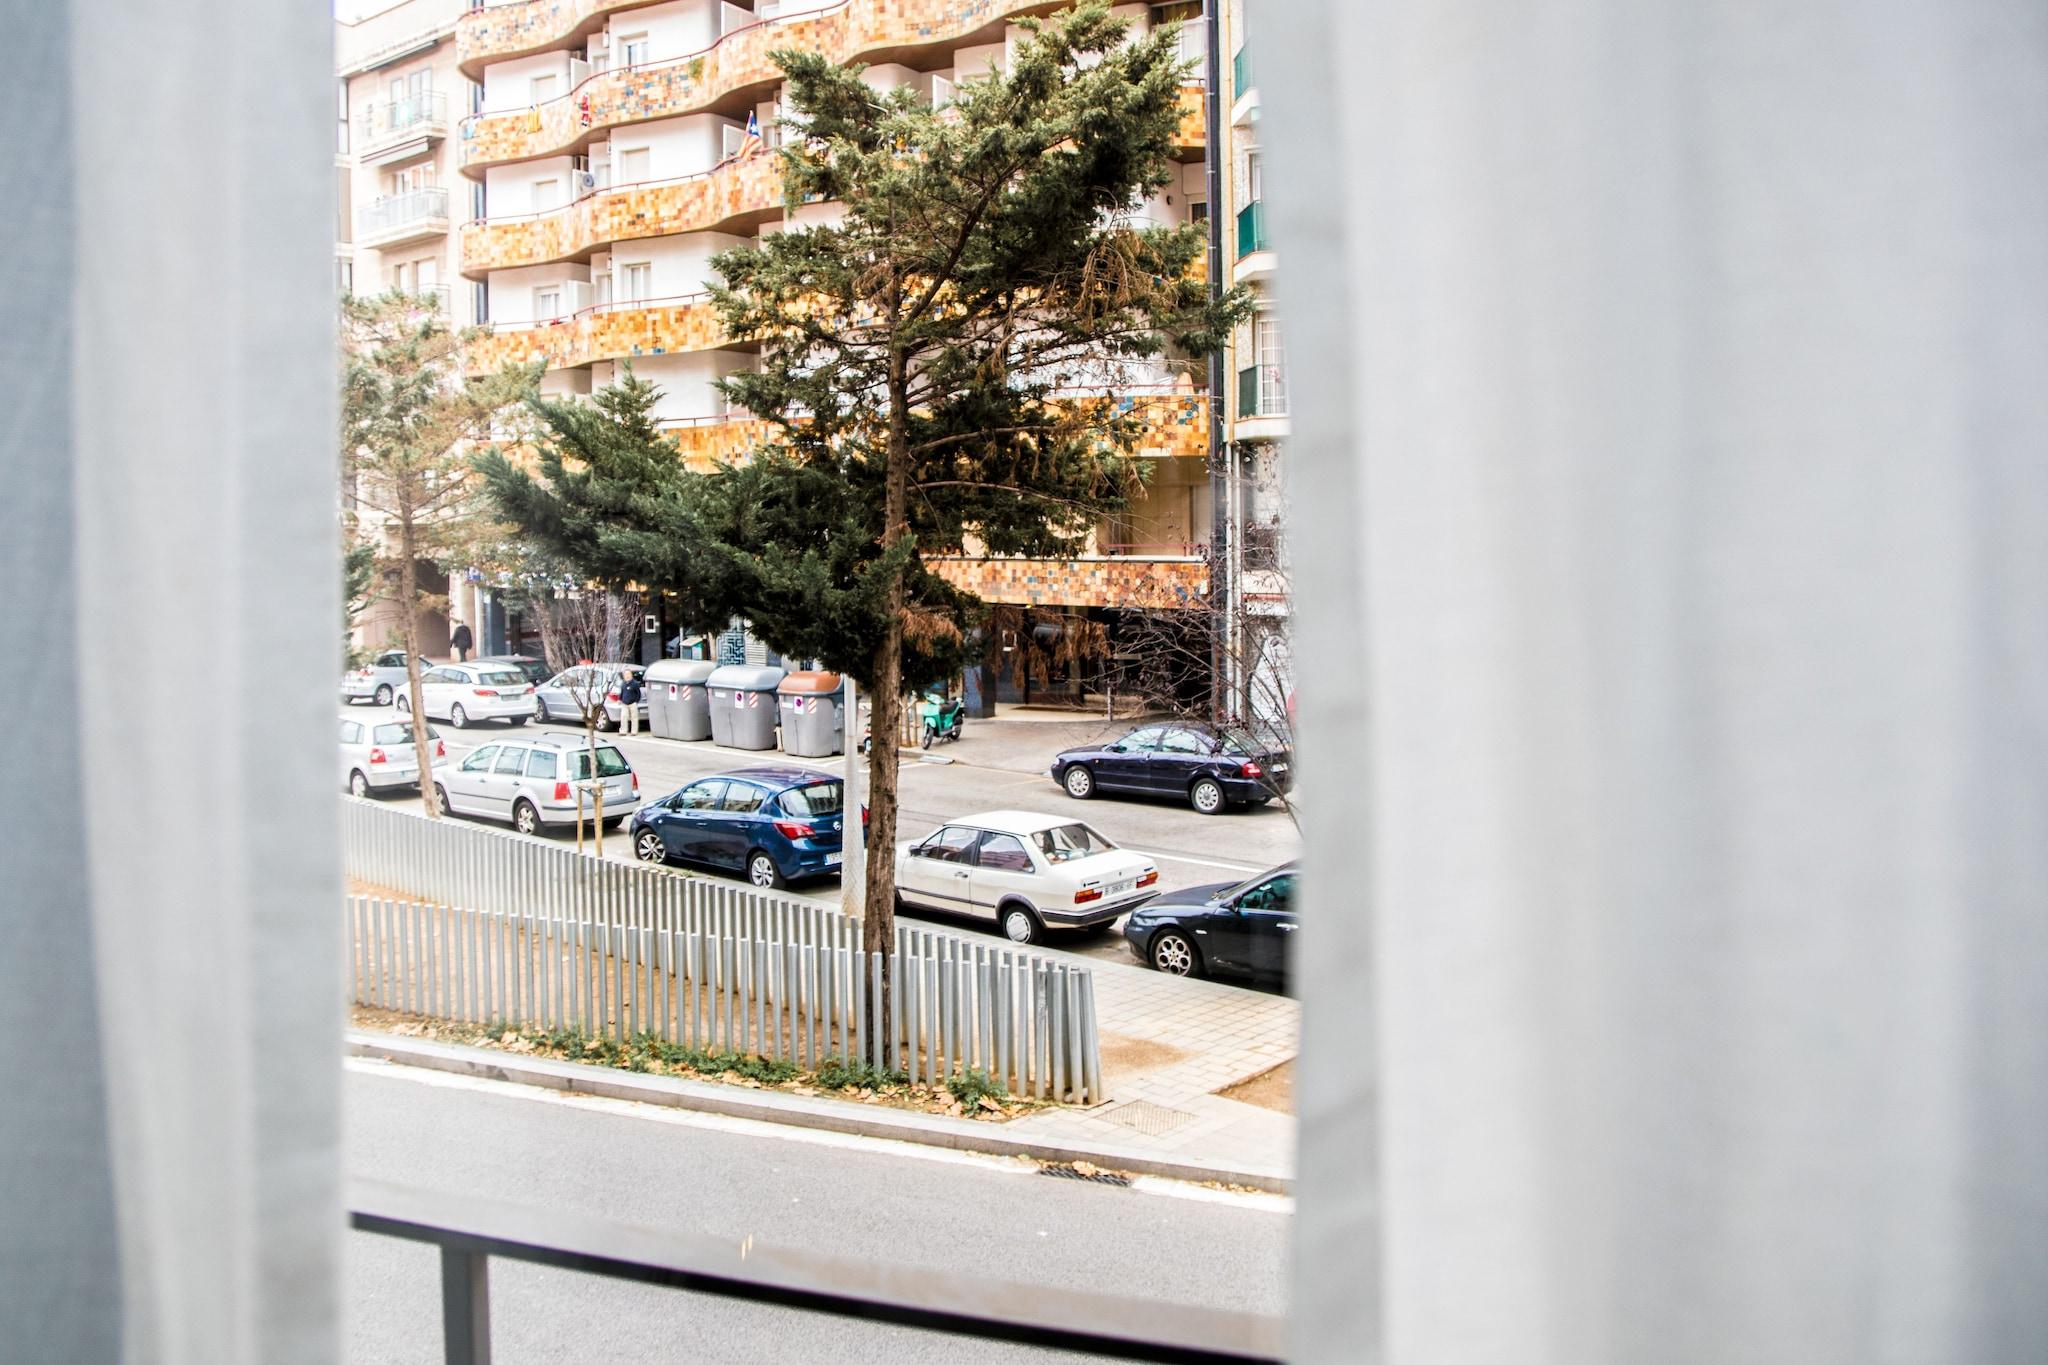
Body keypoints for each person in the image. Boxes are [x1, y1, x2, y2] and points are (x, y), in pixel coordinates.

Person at [617, 669, 643, 734]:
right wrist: (620, 699)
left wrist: (636, 701)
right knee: (623, 717)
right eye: (625, 675)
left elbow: (638, 694)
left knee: (634, 718)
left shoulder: (635, 683)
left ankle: (634, 731)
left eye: (628, 674)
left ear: (631, 675)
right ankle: (623, 731)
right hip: (624, 703)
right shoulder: (623, 684)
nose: (627, 676)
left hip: (632, 703)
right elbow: (622, 692)